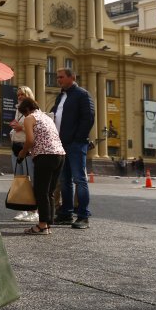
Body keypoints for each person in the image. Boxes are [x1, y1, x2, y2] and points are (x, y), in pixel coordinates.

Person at [50, 67, 94, 230]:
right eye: (57, 77)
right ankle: (66, 214)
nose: (58, 80)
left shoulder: (82, 94)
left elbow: (88, 118)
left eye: (61, 77)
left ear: (72, 77)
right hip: (61, 144)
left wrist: (78, 139)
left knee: (79, 179)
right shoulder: (60, 96)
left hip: (75, 144)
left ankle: (83, 216)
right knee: (64, 180)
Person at [17, 97, 65, 235]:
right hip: (60, 155)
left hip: (45, 156)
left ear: (26, 110)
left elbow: (30, 140)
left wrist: (22, 153)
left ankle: (42, 225)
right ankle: (48, 224)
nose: (24, 117)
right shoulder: (46, 117)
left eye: (23, 113)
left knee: (41, 191)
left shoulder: (30, 118)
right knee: (49, 192)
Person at [9, 86, 38, 222]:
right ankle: (23, 210)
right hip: (15, 146)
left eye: (22, 94)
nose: (19, 96)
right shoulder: (18, 109)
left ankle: (34, 211)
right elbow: (19, 128)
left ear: (29, 95)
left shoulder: (34, 110)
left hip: (26, 148)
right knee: (19, 179)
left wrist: (21, 128)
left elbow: (36, 131)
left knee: (29, 179)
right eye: (18, 95)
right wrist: (13, 131)